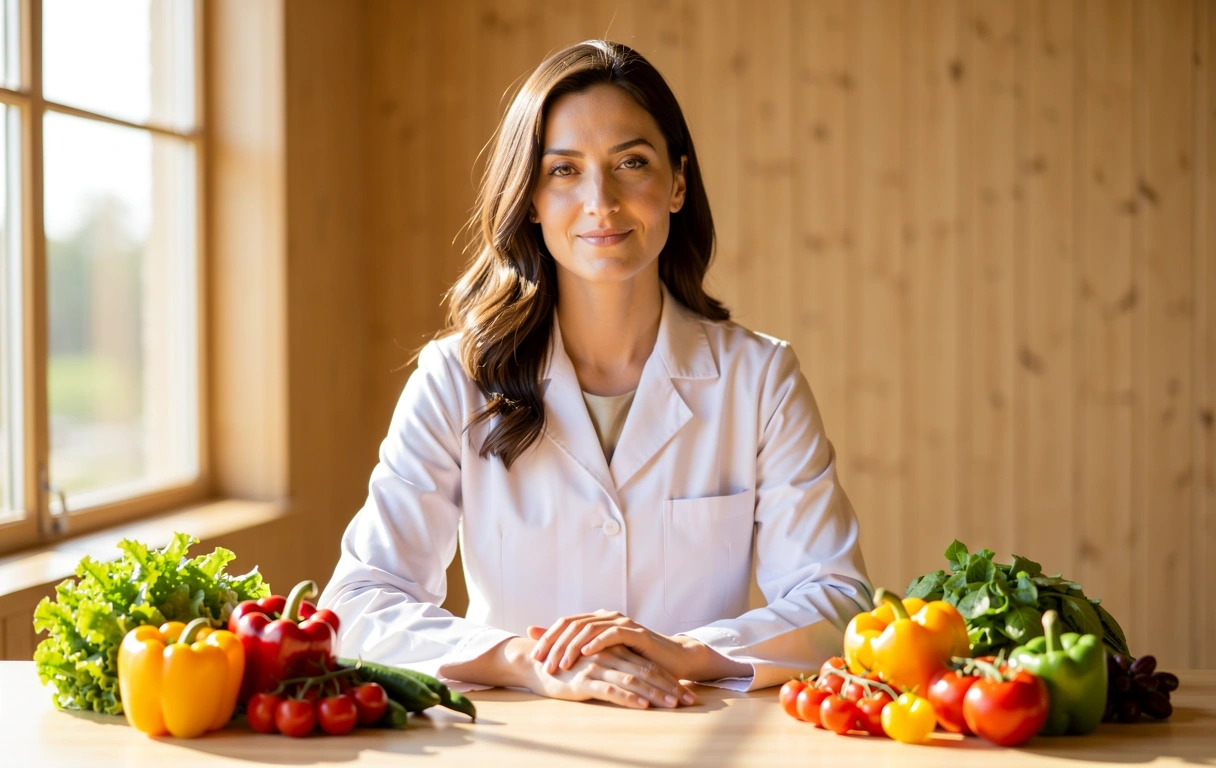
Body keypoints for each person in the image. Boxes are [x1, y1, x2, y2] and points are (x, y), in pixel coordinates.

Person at [318, 40, 872, 711]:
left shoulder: (759, 378)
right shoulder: (453, 379)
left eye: (631, 162)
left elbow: (840, 602)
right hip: (515, 741)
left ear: (676, 183)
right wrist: (528, 662)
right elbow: (357, 605)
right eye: (563, 171)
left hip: (692, 725)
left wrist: (684, 650)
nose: (600, 200)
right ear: (528, 198)